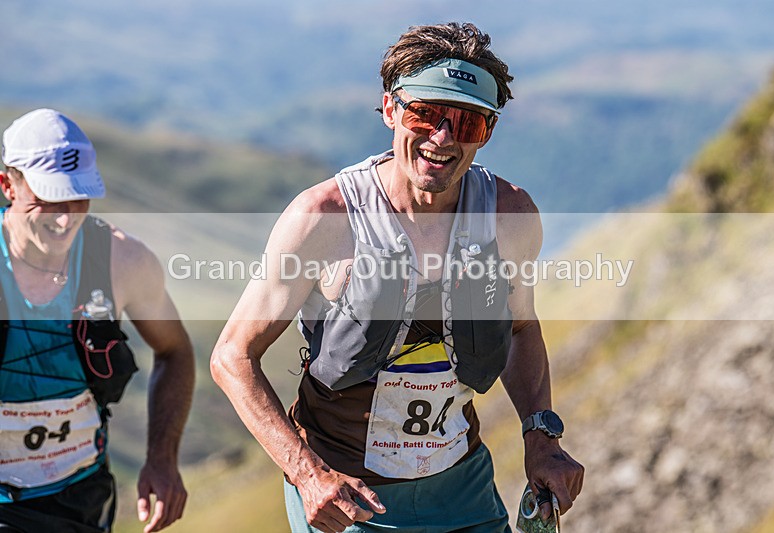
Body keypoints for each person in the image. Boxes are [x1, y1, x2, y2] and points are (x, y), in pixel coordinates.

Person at [211, 22, 584, 533]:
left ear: (488, 132)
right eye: (425, 114)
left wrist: (541, 438)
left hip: (465, 488)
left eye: (468, 123)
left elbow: (521, 329)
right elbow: (232, 356)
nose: (443, 137)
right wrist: (306, 474)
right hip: (348, 500)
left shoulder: (509, 216)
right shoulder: (326, 218)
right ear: (390, 109)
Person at [0, 109, 195, 533]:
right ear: (6, 185)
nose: (66, 218)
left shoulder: (122, 260)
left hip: (84, 499)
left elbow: (175, 350)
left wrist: (162, 458)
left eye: (79, 197)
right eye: (49, 198)